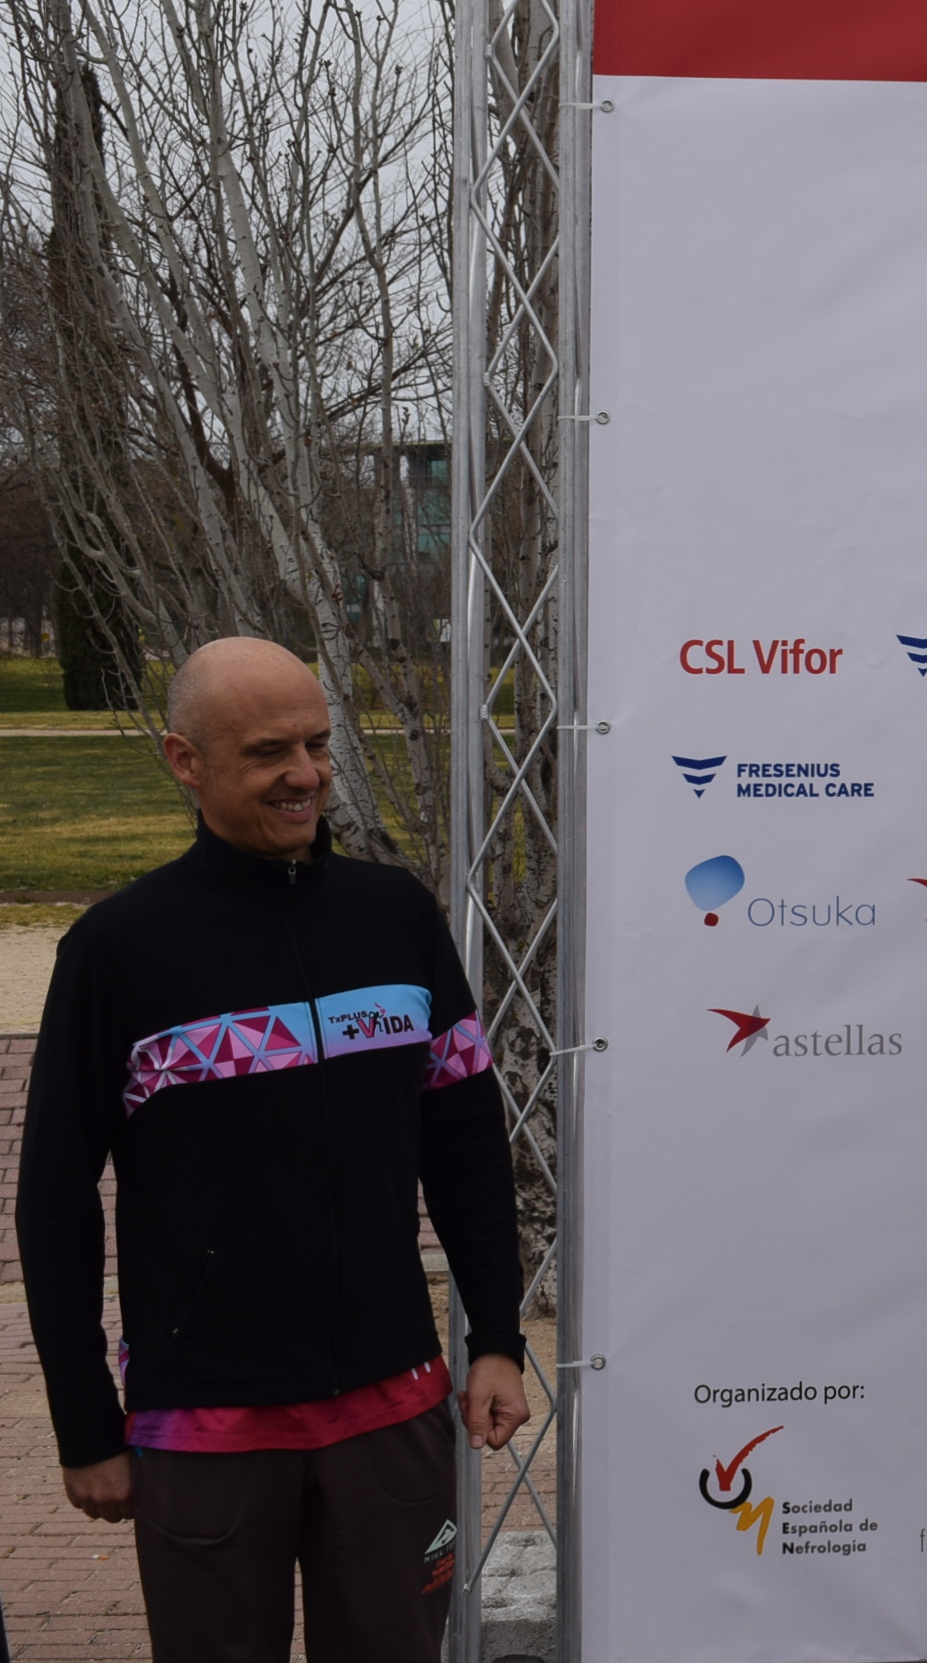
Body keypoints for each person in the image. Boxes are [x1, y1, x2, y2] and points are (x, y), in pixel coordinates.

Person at [18, 637, 529, 1662]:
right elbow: (54, 1198)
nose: (305, 774)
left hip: (391, 1404)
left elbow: (467, 1142)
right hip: (204, 1420)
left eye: (317, 744)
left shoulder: (397, 915)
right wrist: (86, 1423)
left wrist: (497, 1338)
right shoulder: (116, 949)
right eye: (267, 753)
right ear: (185, 760)